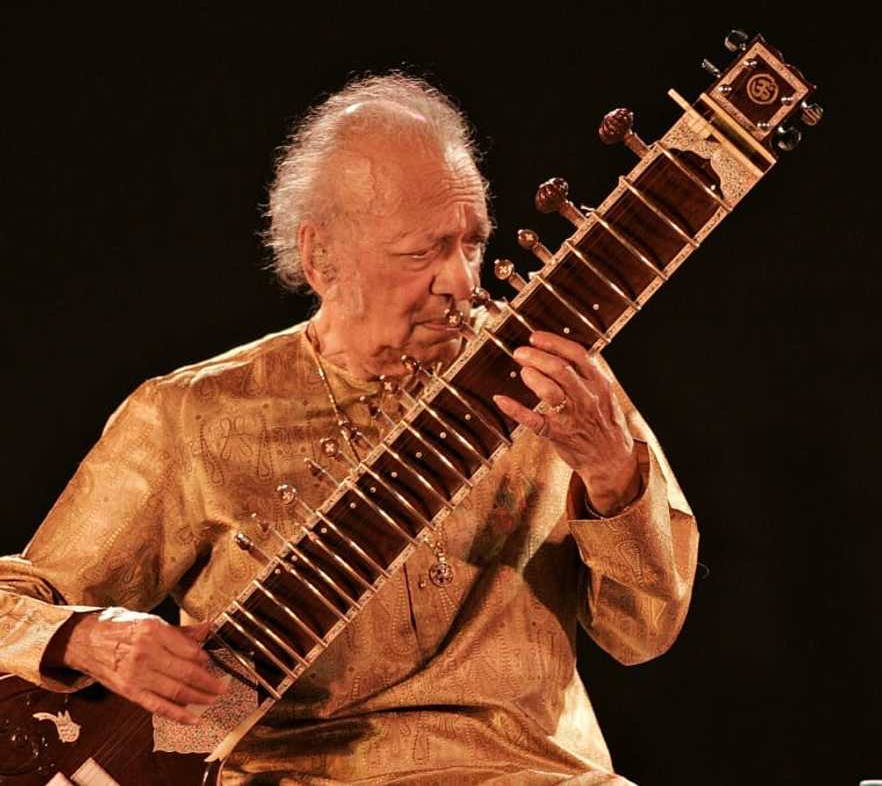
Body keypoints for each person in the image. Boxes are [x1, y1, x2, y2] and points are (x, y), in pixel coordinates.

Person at [0, 73, 699, 784]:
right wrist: (91, 637)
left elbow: (643, 634)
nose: (460, 281)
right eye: (421, 253)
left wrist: (613, 474)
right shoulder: (195, 416)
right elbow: (9, 607)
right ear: (322, 258)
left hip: (529, 769)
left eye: (472, 244)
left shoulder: (557, 381)